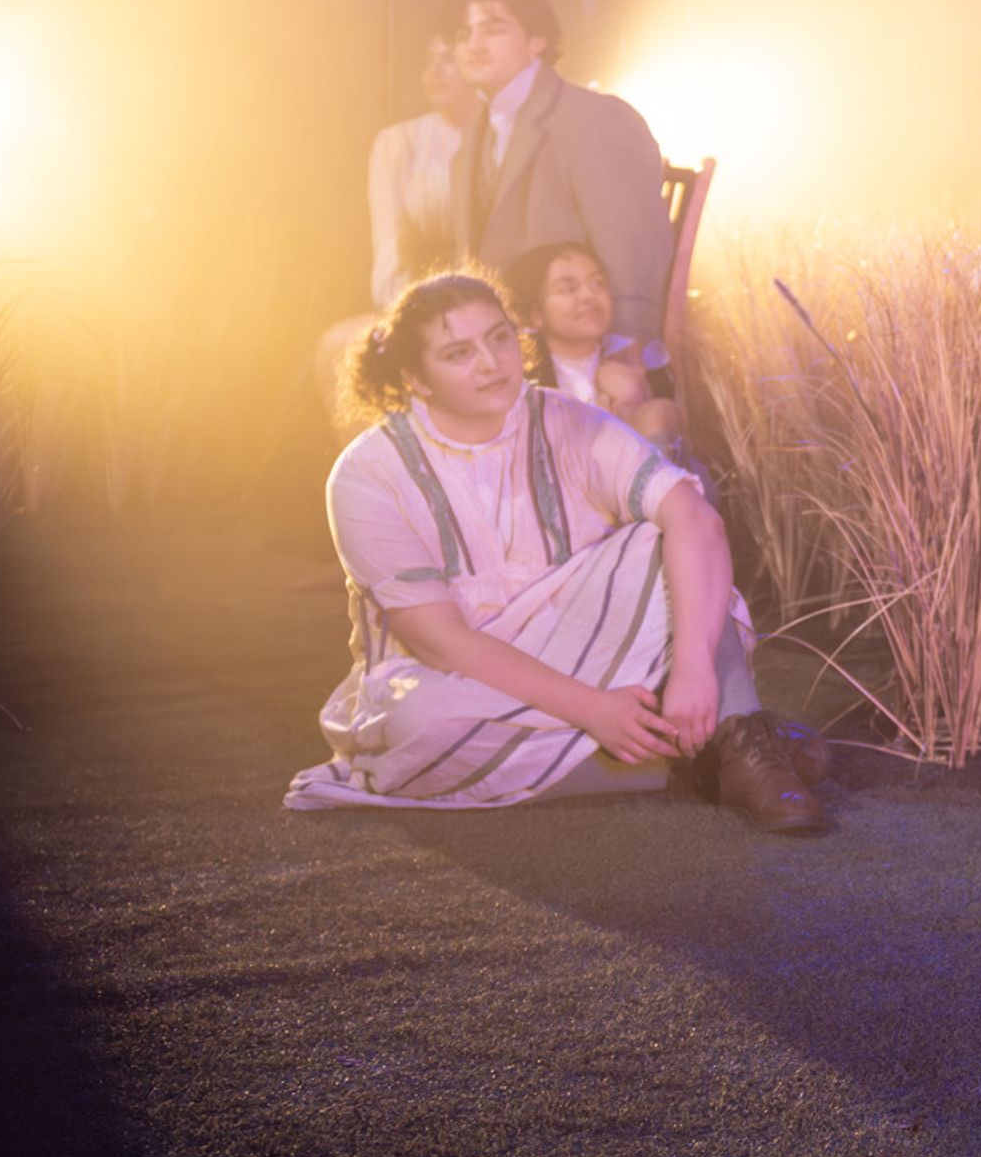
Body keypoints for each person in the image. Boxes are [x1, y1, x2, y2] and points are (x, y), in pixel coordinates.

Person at [287, 272, 827, 831]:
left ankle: (744, 748)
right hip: (456, 672)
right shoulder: (367, 473)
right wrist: (594, 710)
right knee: (415, 726)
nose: (492, 362)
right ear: (414, 379)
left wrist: (693, 670)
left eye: (499, 338)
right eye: (458, 353)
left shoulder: (568, 419)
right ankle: (695, 755)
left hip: (582, 639)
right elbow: (441, 643)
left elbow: (695, 520)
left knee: (662, 543)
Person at [447, 0, 677, 339]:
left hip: (577, 344)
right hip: (505, 341)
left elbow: (632, 251)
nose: (472, 44)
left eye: (492, 30)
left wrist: (627, 353)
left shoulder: (595, 118)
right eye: (463, 34)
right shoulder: (472, 137)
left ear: (536, 40)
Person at [503, 239, 684, 448]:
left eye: (597, 283)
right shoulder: (522, 381)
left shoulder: (642, 361)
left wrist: (638, 398)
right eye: (569, 289)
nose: (589, 295)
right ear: (536, 314)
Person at [367, 35, 480, 305]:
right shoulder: (398, 142)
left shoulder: (504, 136)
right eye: (429, 61)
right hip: (425, 296)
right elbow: (390, 240)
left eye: (448, 60)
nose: (435, 72)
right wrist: (401, 309)